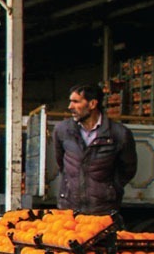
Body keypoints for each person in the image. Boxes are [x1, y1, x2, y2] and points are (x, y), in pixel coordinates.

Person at [52, 84, 137, 216]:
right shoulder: (63, 130)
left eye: (76, 102)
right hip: (69, 209)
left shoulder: (119, 134)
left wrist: (108, 189)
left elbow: (128, 169)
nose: (70, 107)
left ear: (92, 104)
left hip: (103, 209)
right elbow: (61, 163)